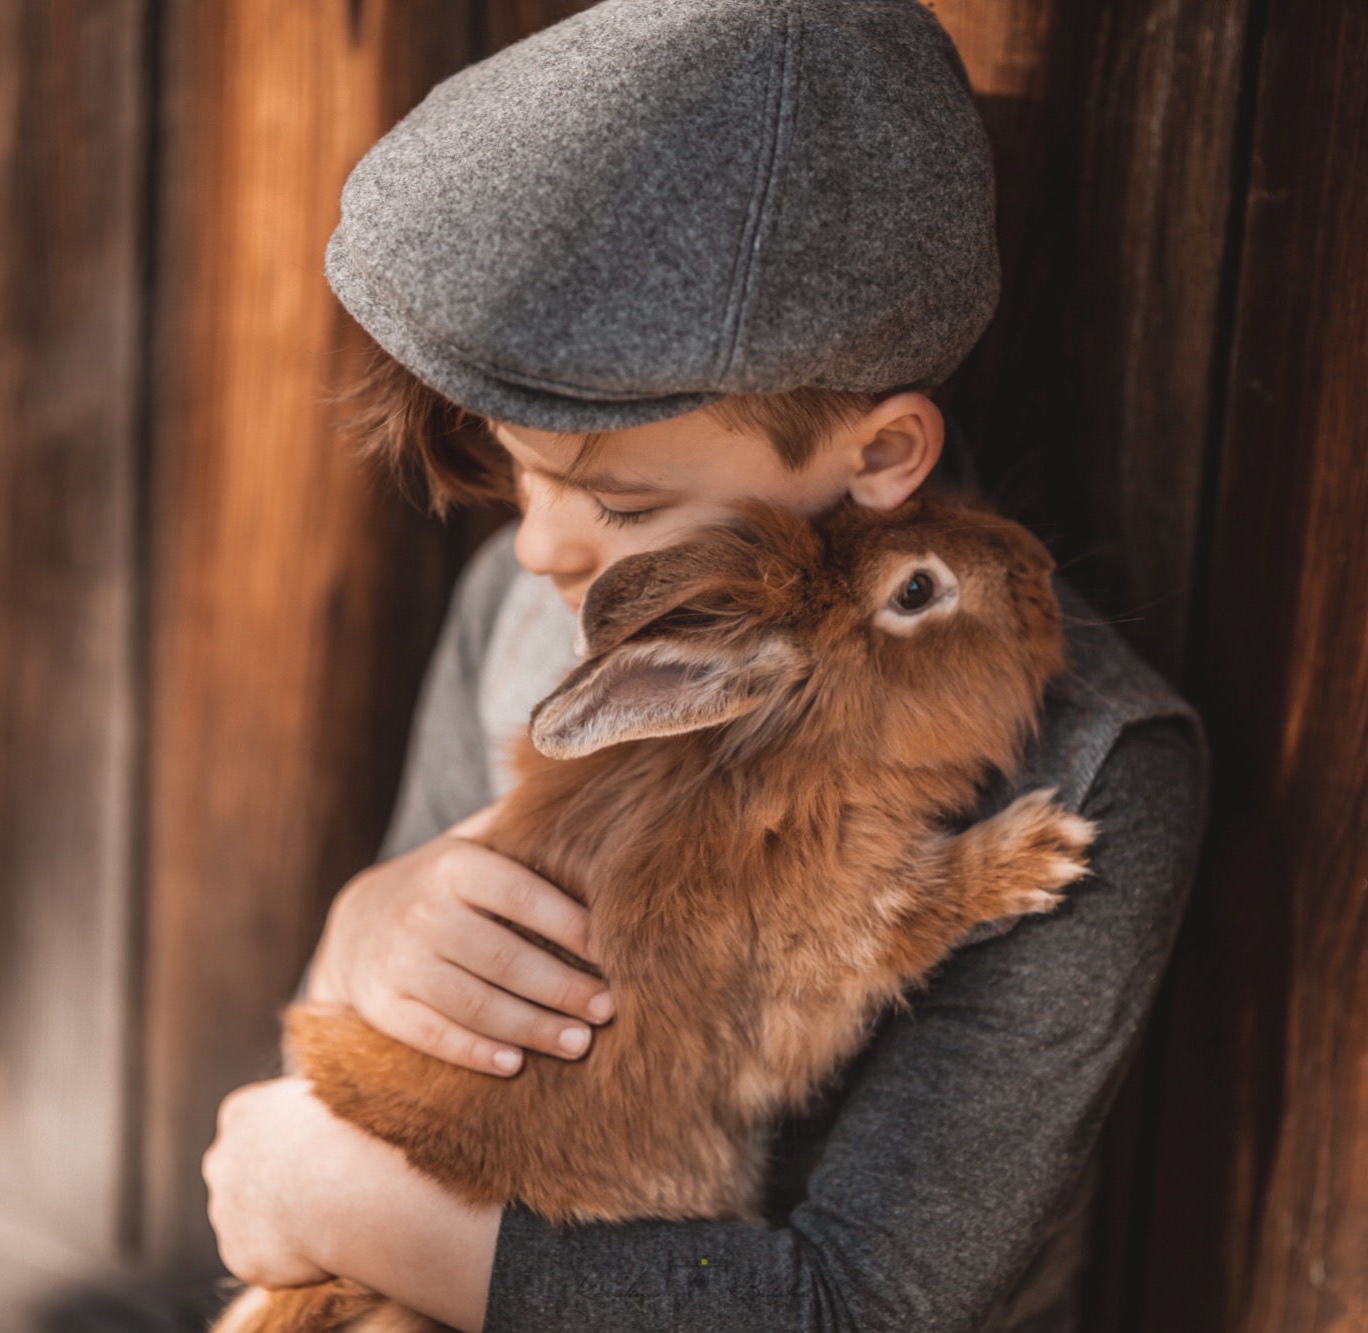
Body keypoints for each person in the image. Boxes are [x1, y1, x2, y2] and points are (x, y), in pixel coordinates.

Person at [200, 2, 1208, 1329]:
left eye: (619, 506)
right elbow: (370, 1050)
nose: (542, 549)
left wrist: (337, 1202)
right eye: (521, 474)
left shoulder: (1092, 765)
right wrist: (363, 926)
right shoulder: (528, 604)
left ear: (882, 455)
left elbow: (861, 1308)